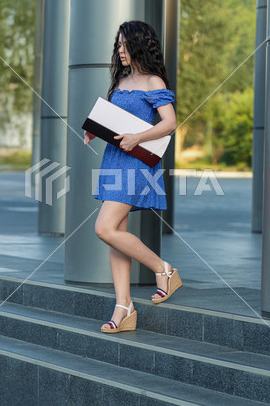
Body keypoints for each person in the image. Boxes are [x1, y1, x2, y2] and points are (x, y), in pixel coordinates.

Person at [84, 20, 183, 334]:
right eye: (119, 45)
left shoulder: (154, 82)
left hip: (136, 163)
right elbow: (117, 122)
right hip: (115, 159)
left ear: (140, 45)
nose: (120, 51)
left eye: (126, 45)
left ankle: (162, 269)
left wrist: (138, 138)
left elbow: (169, 123)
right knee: (117, 236)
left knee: (104, 227)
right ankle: (124, 306)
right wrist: (95, 130)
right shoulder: (122, 80)